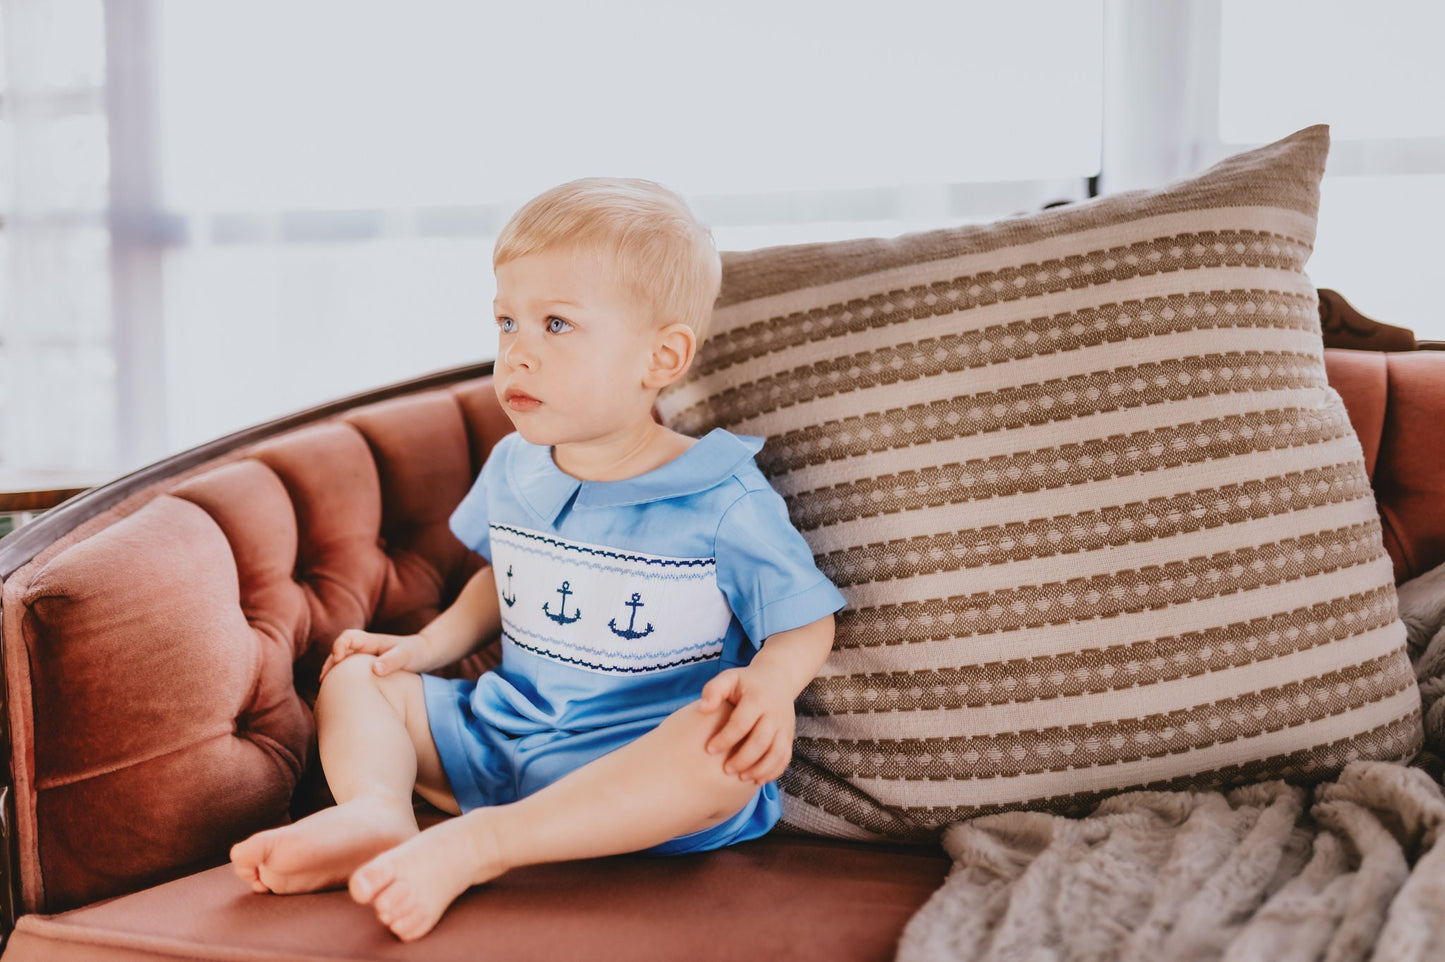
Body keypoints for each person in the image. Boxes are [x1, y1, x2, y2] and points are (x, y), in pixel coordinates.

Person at [229, 178, 846, 942]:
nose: (517, 353)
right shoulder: (516, 466)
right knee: (358, 674)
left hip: (633, 764)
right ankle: (376, 813)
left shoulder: (721, 496)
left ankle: (479, 845)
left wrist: (768, 687)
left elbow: (804, 617)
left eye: (556, 324)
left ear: (661, 356)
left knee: (717, 758)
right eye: (506, 322)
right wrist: (427, 648)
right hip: (504, 734)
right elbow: (505, 576)